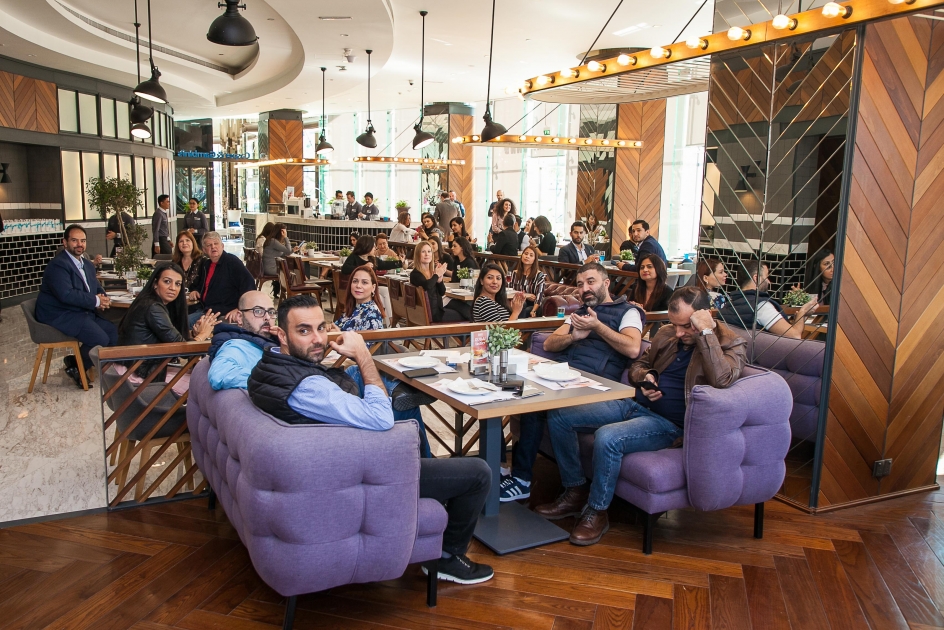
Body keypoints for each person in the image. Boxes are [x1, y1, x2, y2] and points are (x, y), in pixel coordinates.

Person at [246, 295, 494, 584]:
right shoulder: (307, 387)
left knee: (403, 416)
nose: (318, 339)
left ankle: (402, 404)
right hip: (358, 475)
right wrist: (363, 354)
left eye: (321, 328)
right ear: (281, 335)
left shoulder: (268, 366)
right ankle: (448, 557)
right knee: (479, 473)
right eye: (304, 330)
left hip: (332, 459)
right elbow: (380, 419)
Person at [535, 287, 747, 545]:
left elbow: (722, 379)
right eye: (675, 325)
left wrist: (705, 333)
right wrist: (646, 377)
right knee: (561, 415)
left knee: (608, 437)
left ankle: (597, 511)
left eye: (686, 326)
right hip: (635, 405)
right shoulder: (667, 334)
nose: (679, 333)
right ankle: (575, 491)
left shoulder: (730, 342)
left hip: (669, 425)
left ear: (705, 316)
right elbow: (639, 364)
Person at [499, 263, 645, 502]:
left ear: (606, 283)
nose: (584, 288)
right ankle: (514, 475)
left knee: (546, 409)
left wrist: (597, 326)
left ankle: (563, 486)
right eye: (580, 284)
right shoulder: (581, 312)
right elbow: (550, 343)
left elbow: (632, 348)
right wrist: (572, 337)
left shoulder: (628, 312)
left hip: (598, 390)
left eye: (590, 282)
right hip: (564, 381)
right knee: (519, 396)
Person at [36, 225, 118, 388]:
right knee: (99, 339)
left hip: (80, 311)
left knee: (113, 333)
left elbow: (96, 287)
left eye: (83, 241)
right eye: (74, 240)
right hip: (59, 313)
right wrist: (95, 301)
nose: (79, 244)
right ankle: (79, 367)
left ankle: (76, 364)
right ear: (65, 242)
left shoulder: (87, 264)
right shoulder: (58, 265)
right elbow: (66, 294)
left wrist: (103, 298)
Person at [117, 262, 219, 379]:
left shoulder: (152, 302)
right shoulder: (153, 308)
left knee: (199, 379)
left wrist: (194, 334)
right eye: (167, 281)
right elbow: (183, 350)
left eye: (178, 284)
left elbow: (173, 338)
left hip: (139, 368)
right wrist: (203, 335)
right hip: (136, 376)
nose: (173, 288)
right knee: (203, 384)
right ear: (155, 283)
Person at [719, 259, 818, 339]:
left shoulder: (730, 303)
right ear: (756, 278)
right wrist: (802, 312)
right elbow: (794, 336)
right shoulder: (761, 306)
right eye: (767, 277)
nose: (769, 282)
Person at [207, 291, 278, 391]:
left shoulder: (277, 340)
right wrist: (276, 382)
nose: (267, 317)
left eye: (271, 312)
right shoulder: (236, 346)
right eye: (258, 311)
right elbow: (219, 374)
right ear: (240, 317)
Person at [189, 232, 256, 326]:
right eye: (209, 245)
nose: (213, 247)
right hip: (204, 307)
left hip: (220, 312)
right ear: (204, 250)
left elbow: (249, 285)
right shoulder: (206, 265)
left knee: (185, 323)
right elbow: (201, 284)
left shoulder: (232, 262)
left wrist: (239, 308)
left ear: (222, 246)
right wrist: (195, 290)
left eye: (216, 243)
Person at [410, 241, 469, 322]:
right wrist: (437, 275)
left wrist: (440, 280)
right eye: (423, 252)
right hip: (432, 315)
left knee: (466, 310)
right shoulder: (415, 274)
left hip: (437, 310)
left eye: (429, 251)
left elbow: (442, 292)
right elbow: (427, 286)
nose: (427, 254)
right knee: (466, 315)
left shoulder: (432, 272)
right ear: (417, 254)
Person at [510, 245, 547, 317]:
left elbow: (539, 297)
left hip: (533, 305)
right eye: (526, 254)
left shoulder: (539, 275)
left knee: (523, 305)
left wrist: (534, 310)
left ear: (534, 259)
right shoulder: (515, 273)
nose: (527, 256)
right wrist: (526, 295)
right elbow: (511, 290)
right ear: (522, 256)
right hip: (516, 302)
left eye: (531, 255)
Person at [172, 231, 204, 306]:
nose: (184, 243)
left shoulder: (203, 261)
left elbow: (205, 283)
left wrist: (197, 291)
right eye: (181, 241)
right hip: (177, 302)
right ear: (178, 245)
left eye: (187, 240)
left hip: (197, 304)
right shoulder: (174, 262)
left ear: (193, 243)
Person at [263, 224, 292, 298]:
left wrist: (292, 250)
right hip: (271, 269)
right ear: (281, 232)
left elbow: (284, 253)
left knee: (291, 271)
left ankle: (286, 292)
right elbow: (288, 251)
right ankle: (292, 291)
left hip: (268, 268)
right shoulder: (273, 242)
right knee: (293, 272)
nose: (285, 233)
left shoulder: (271, 240)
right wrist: (286, 237)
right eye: (285, 232)